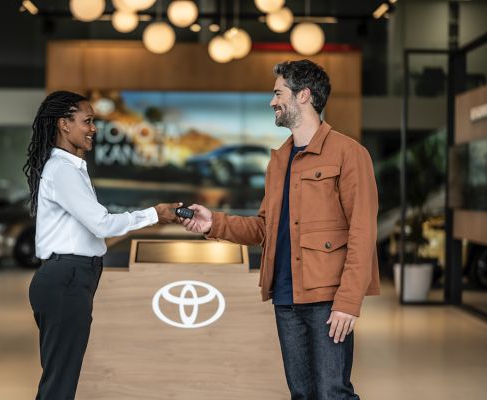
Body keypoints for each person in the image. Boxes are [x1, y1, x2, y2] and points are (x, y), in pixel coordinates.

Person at [181, 60, 380, 399]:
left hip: (327, 300)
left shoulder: (349, 154)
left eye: (278, 93)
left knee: (333, 393)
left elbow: (362, 232)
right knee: (301, 394)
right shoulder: (279, 161)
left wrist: (348, 302)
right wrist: (214, 222)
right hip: (285, 298)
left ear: (303, 95)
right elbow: (263, 228)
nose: (272, 102)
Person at [23, 90, 179, 400]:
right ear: (64, 124)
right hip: (67, 277)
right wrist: (154, 213)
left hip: (71, 277)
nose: (94, 128)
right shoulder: (64, 171)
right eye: (88, 121)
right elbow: (101, 224)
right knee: (59, 383)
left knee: (60, 377)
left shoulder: (70, 169)